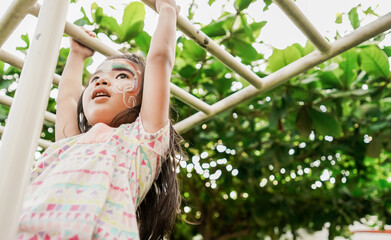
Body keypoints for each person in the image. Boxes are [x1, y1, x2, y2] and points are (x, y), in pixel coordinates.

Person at [17, 0, 184, 239]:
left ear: (145, 97)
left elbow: (159, 60)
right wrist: (77, 55)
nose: (101, 81)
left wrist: (167, 10)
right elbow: (67, 99)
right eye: (95, 78)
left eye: (122, 75)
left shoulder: (141, 142)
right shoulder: (69, 143)